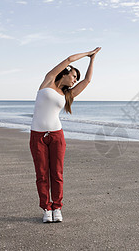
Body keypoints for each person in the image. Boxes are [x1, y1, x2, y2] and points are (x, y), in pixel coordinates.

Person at [30, 47, 101, 223]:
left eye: (76, 78)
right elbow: (69, 59)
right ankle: (46, 208)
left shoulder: (68, 94)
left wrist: (93, 60)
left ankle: (57, 207)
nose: (75, 80)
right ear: (66, 73)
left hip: (56, 136)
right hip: (37, 136)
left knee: (57, 173)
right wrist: (87, 53)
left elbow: (88, 80)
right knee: (41, 174)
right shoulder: (48, 81)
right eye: (73, 76)